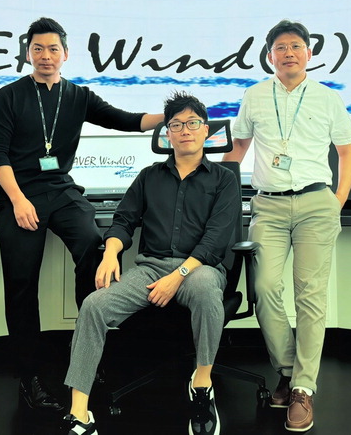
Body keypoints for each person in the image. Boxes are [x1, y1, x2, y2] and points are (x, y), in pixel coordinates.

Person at [0, 17, 164, 412]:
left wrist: (173, 114)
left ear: (65, 54)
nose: (45, 56)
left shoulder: (78, 96)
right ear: (28, 54)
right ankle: (29, 376)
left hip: (61, 191)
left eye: (53, 49)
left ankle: (84, 350)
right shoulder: (9, 96)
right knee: (21, 282)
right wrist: (17, 200)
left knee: (93, 246)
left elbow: (127, 120)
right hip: (19, 194)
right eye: (38, 49)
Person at [60, 91, 240, 435]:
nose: (185, 130)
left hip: (200, 269)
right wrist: (110, 253)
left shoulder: (224, 179)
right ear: (167, 133)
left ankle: (202, 384)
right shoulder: (148, 176)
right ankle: (79, 413)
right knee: (94, 305)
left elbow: (215, 240)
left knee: (205, 290)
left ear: (205, 130)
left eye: (193, 123)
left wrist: (178, 276)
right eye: (177, 125)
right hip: (150, 269)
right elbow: (123, 221)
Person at [223, 19, 351, 432]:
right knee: (264, 288)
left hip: (317, 203)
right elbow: (239, 148)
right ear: (270, 56)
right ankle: (286, 370)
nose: (288, 53)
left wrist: (336, 202)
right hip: (269, 205)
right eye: (280, 48)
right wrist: (214, 191)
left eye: (296, 46)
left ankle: (302, 388)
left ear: (308, 54)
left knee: (310, 296)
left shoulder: (328, 98)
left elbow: (347, 153)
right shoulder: (254, 96)